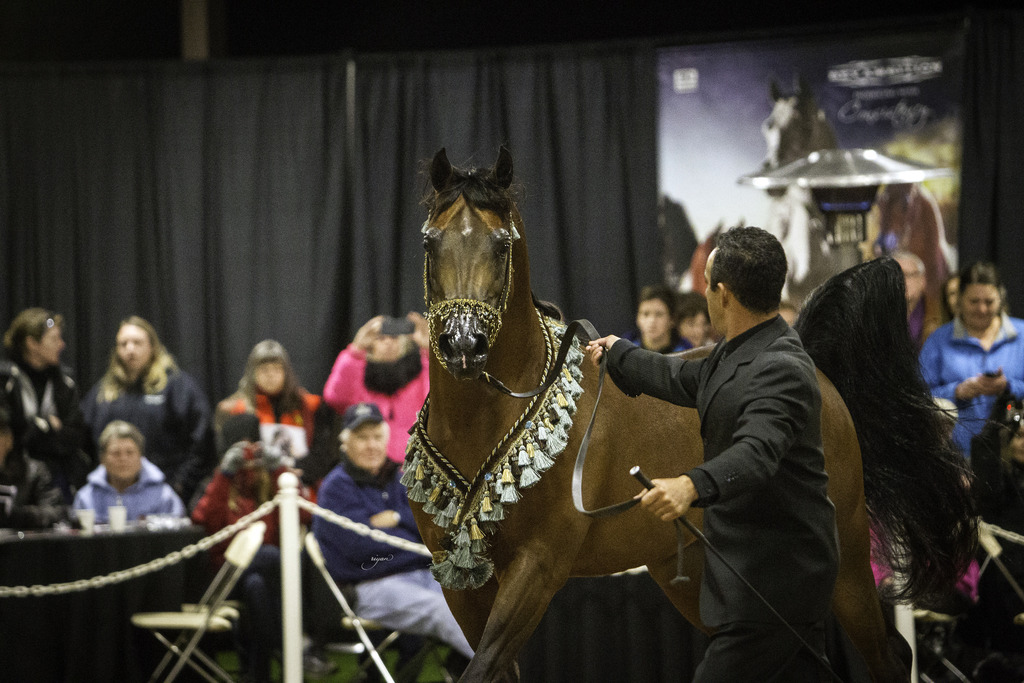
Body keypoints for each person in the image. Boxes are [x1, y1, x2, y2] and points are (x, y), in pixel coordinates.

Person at [586, 226, 839, 682]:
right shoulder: (743, 350)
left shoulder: (781, 367)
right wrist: (618, 353)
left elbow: (757, 453)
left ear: (723, 294)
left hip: (778, 581)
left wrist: (689, 485)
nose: (702, 293)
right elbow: (686, 379)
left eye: (706, 284)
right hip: (755, 578)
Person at [312, 402, 474, 669]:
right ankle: (503, 671)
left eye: (377, 437)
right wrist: (413, 540)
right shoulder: (335, 488)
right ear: (345, 444)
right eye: (362, 438)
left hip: (423, 575)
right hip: (370, 586)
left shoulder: (399, 476)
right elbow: (362, 550)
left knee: (479, 598)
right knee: (443, 610)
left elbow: (433, 527)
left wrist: (397, 519)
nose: (371, 445)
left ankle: (464, 669)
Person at [192, 412, 316, 682]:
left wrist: (277, 470)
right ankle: (298, 646)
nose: (248, 457)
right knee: (273, 557)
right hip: (224, 575)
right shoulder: (215, 484)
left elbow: (305, 516)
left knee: (257, 586)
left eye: (253, 448)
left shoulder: (271, 484)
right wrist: (225, 474)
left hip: (264, 579)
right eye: (241, 449)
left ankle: (259, 674)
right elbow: (206, 524)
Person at [81, 316, 214, 503]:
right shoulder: (103, 393)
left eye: (137, 343)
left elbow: (202, 442)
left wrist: (180, 485)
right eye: (123, 344)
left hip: (163, 496)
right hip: (110, 497)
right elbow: (83, 444)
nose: (130, 349)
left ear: (152, 347)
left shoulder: (176, 387)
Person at [920, 262, 1024, 456]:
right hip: (956, 457)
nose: (982, 309)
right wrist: (957, 391)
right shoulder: (938, 340)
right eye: (974, 301)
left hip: (1015, 459)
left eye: (989, 302)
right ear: (959, 299)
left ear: (1001, 298)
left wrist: (1009, 387)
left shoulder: (1022, 335)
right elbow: (919, 395)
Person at [956, 392, 1024, 674]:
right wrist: (998, 416)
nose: (1023, 442)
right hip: (1003, 584)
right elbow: (985, 456)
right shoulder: (999, 482)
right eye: (1018, 435)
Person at [216, 340, 336, 489]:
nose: (271, 375)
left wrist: (292, 471)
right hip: (257, 491)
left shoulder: (311, 406)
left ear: (287, 372)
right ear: (252, 373)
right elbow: (231, 461)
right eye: (264, 370)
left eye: (277, 369)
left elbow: (323, 455)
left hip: (304, 487)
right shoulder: (237, 411)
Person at [1, 308, 91, 502]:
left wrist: (34, 428)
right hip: (14, 479)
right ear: (32, 343)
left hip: (59, 478)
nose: (62, 344)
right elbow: (11, 434)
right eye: (54, 339)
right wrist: (48, 425)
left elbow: (74, 436)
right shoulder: (5, 381)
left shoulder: (65, 385)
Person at [323, 313, 430, 464]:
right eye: (381, 338)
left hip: (415, 469)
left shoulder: (418, 373)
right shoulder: (359, 373)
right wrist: (355, 351)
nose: (388, 343)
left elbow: (440, 402)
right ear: (371, 344)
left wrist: (429, 351)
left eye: (393, 338)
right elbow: (335, 397)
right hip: (370, 471)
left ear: (403, 342)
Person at [73, 420, 186, 523]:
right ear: (102, 459)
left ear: (141, 457)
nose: (123, 459)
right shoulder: (86, 498)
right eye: (116, 453)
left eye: (130, 452)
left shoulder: (164, 497)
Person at [0, 405, 68, 530]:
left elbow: (56, 511)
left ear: (8, 439)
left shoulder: (34, 471)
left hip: (20, 545)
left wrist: (21, 516)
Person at [893, 250, 942, 352]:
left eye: (907, 275)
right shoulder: (877, 315)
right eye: (896, 275)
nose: (901, 280)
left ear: (922, 281)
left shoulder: (938, 313)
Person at [624, 283, 690, 353]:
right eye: (645, 314)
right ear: (637, 318)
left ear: (672, 319)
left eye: (659, 314)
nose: (652, 321)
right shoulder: (624, 353)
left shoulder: (688, 354)